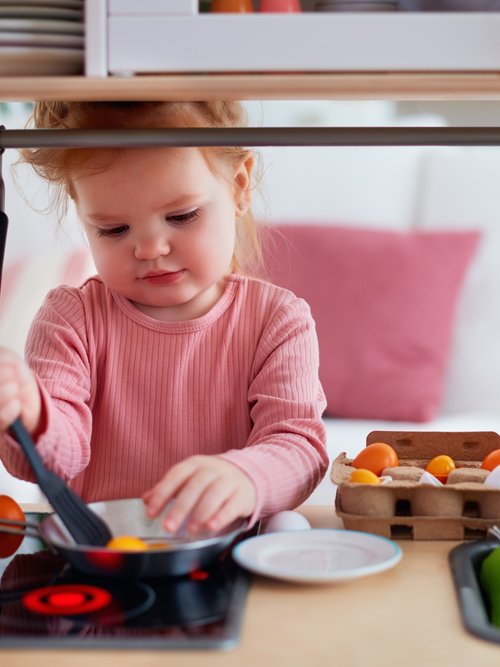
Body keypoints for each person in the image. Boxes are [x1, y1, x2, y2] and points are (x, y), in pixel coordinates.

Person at [0, 102, 328, 535]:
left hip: (228, 552)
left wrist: (247, 477)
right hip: (109, 557)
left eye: (181, 216)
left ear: (239, 186)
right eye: (114, 229)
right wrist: (32, 415)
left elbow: (301, 448)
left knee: (289, 529)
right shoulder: (71, 317)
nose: (150, 249)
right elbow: (49, 462)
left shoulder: (277, 320)